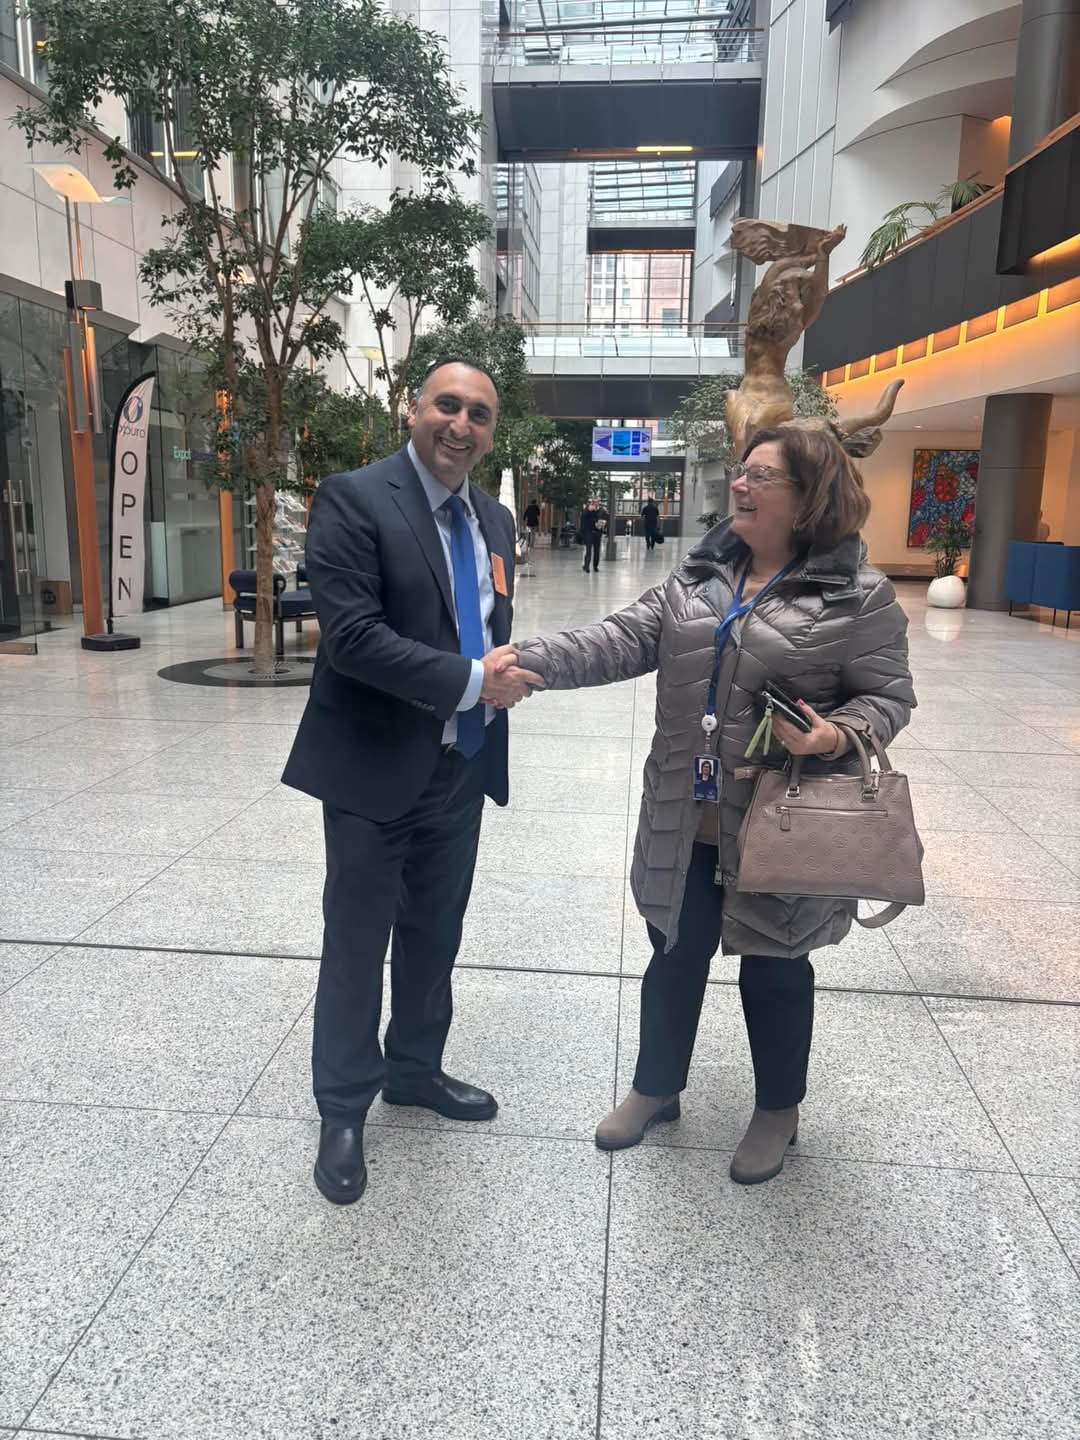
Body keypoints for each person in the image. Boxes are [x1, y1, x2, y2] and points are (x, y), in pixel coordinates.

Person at [507, 425, 915, 1185]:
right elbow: (614, 641)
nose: (740, 485)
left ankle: (778, 1111)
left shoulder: (857, 596)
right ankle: (656, 1087)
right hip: (684, 812)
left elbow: (889, 699)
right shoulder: (697, 581)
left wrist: (834, 734)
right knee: (673, 949)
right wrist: (524, 662)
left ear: (810, 497)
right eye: (741, 470)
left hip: (779, 820)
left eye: (761, 475)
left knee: (776, 965)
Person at [283, 358, 543, 1205]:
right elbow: (352, 638)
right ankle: (343, 1108)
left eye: (479, 414)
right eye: (447, 405)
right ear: (412, 408)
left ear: (492, 433)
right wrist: (473, 681)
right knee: (357, 944)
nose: (461, 425)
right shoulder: (354, 498)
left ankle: (415, 1069)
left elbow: (487, 624)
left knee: (435, 933)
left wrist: (495, 684)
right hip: (371, 767)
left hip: (459, 765)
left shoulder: (494, 520)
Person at [580, 497, 609, 573]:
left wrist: (601, 525)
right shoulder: (587, 509)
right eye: (594, 502)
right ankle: (586, 566)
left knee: (596, 550)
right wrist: (588, 510)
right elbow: (583, 518)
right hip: (588, 532)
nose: (596, 503)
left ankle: (595, 566)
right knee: (588, 549)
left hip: (597, 532)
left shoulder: (602, 511)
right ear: (592, 502)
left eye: (597, 502)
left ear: (599, 502)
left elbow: (606, 519)